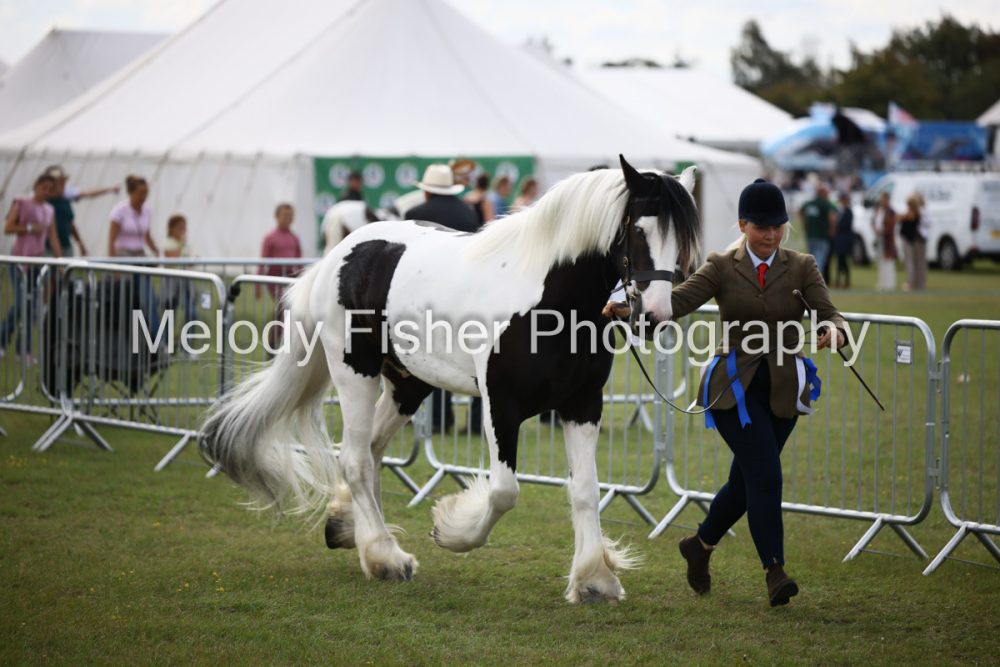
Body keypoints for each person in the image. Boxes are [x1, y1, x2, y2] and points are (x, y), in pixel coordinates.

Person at [669, 178, 847, 607]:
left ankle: (700, 545)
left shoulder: (802, 266)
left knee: (745, 480)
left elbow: (831, 314)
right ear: (742, 225)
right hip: (732, 390)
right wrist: (632, 309)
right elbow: (677, 302)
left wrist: (835, 331)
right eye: (761, 227)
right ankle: (774, 571)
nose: (771, 235)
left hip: (783, 391)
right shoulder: (720, 265)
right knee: (766, 474)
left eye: (777, 226)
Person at [406, 164, 480, 433]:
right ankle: (476, 422)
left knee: (436, 357)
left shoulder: (415, 214)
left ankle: (439, 419)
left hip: (431, 295)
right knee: (477, 359)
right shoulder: (468, 212)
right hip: (468, 294)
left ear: (427, 191)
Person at [1, 173, 63, 361]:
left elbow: (53, 237)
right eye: (44, 187)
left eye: (49, 189)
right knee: (21, 303)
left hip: (37, 260)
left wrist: (60, 262)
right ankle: (3, 338)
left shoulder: (49, 210)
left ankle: (24, 350)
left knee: (30, 306)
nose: (46, 192)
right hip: (20, 259)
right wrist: (29, 228)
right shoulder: (22, 203)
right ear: (36, 186)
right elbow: (8, 228)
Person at [42, 164, 119, 257]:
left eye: (63, 182)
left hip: (65, 247)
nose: (63, 185)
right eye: (60, 182)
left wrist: (80, 243)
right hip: (47, 249)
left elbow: (70, 223)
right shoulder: (40, 202)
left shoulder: (65, 199)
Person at [259, 203, 303, 350]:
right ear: (277, 216)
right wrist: (258, 285)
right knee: (282, 308)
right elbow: (263, 261)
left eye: (290, 216)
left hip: (290, 279)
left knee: (288, 310)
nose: (288, 218)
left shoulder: (295, 238)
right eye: (285, 215)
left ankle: (284, 342)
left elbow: (299, 260)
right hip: (275, 279)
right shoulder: (270, 238)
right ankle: (273, 343)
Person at [109, 175, 159, 258]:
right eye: (140, 193)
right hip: (123, 253)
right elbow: (112, 240)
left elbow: (147, 236)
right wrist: (112, 260)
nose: (143, 197)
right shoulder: (119, 211)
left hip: (139, 252)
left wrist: (156, 251)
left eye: (145, 193)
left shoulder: (147, 210)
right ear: (131, 193)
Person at [161, 214, 197, 324]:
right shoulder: (168, 242)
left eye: (184, 227)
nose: (182, 230)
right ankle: (167, 334)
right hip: (171, 283)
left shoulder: (185, 245)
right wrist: (181, 245)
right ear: (171, 228)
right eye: (179, 227)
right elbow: (172, 257)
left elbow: (187, 261)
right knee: (170, 312)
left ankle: (188, 334)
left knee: (191, 312)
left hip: (186, 281)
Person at [799, 184, 837, 284]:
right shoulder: (826, 204)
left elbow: (801, 212)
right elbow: (832, 218)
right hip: (822, 235)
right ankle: (815, 279)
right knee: (820, 259)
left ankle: (810, 278)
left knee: (812, 258)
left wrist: (803, 224)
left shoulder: (809, 203)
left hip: (810, 235)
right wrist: (832, 230)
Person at [899, 192, 928, 291]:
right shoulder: (914, 212)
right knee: (914, 263)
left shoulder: (915, 213)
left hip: (911, 239)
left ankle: (912, 283)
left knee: (912, 263)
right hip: (911, 239)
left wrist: (902, 216)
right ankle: (916, 283)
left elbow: (902, 218)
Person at [871, 191, 897, 291]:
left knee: (888, 262)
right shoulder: (879, 210)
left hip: (887, 239)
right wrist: (875, 229)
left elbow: (891, 226)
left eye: (884, 199)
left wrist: (882, 230)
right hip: (880, 238)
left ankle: (889, 284)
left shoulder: (891, 211)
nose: (882, 201)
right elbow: (873, 221)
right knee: (880, 261)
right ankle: (882, 282)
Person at [831, 192, 854, 288]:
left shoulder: (848, 212)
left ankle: (846, 281)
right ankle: (838, 280)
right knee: (839, 260)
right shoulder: (838, 211)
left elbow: (847, 225)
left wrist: (837, 223)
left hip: (845, 239)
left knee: (844, 260)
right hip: (839, 239)